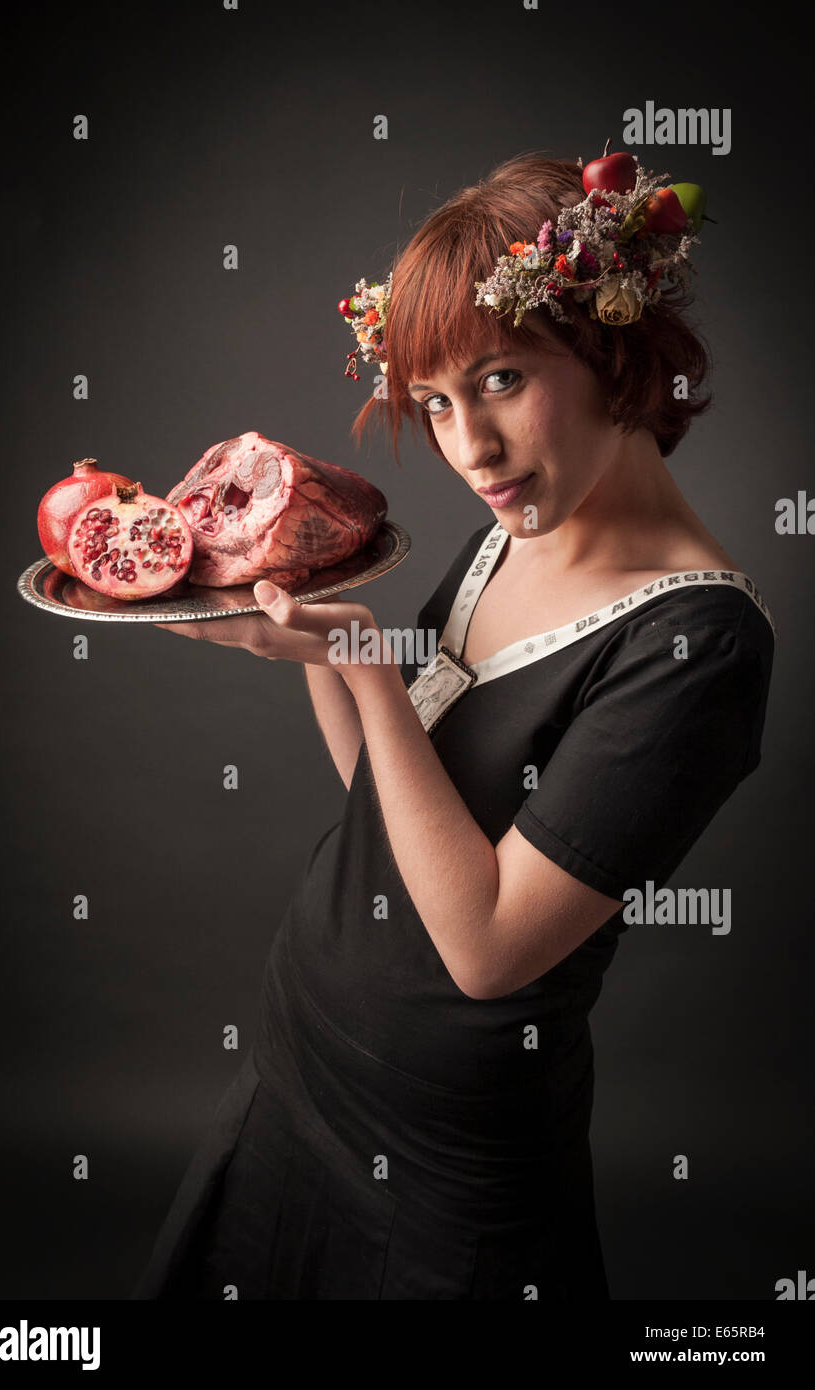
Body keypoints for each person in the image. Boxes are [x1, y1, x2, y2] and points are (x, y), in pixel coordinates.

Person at [131, 151, 776, 1301]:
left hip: (441, 1155)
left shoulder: (698, 645)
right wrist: (322, 650)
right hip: (297, 1069)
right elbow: (393, 809)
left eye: (499, 381)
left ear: (610, 351)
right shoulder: (514, 530)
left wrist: (372, 672)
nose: (467, 449)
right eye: (431, 403)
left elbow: (483, 946)